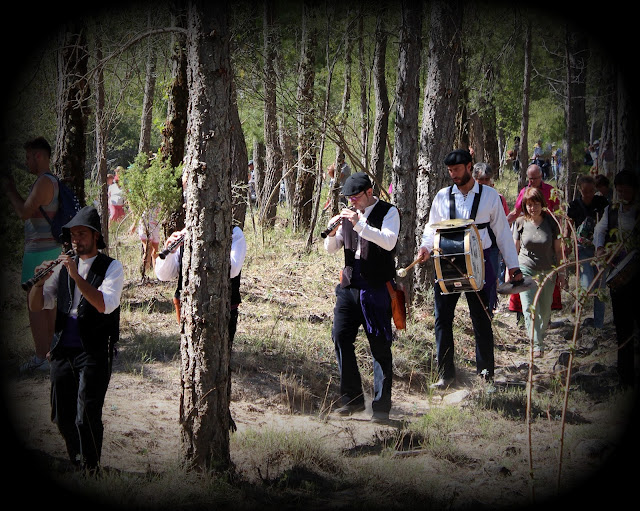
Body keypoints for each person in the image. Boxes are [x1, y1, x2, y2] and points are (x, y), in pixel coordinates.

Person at [28, 206, 123, 471]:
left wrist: (75, 275)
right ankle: (77, 461)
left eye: (81, 234)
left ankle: (91, 469)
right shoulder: (61, 268)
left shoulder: (111, 267)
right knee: (61, 415)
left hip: (93, 348)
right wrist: (38, 282)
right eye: (72, 235)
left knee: (87, 416)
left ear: (95, 236)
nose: (75, 240)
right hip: (62, 348)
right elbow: (39, 305)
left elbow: (104, 304)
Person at [417, 149, 522, 389]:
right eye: (450, 171)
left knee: (481, 319)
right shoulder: (442, 196)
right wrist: (425, 248)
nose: (453, 175)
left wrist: (514, 267)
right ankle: (446, 375)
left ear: (469, 166)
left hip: (479, 264)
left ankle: (485, 375)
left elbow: (503, 234)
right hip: (447, 263)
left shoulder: (490, 196)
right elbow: (431, 228)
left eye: (457, 170)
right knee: (442, 318)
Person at [155, 223, 247, 430]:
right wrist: (171, 250)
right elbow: (163, 274)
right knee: (192, 362)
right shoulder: (185, 234)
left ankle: (221, 413)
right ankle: (192, 413)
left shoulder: (234, 233)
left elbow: (232, 269)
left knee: (219, 362)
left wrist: (201, 247)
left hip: (222, 309)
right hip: (189, 310)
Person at [324, 172, 399, 421]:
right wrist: (334, 231)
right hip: (349, 285)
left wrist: (360, 224)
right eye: (349, 198)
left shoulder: (389, 212)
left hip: (376, 286)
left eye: (356, 197)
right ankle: (352, 399)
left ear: (369, 192)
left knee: (379, 344)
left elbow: (388, 242)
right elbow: (331, 248)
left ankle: (380, 408)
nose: (352, 202)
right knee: (340, 336)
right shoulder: (349, 215)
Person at [2, 136, 61, 373]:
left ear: (39, 156)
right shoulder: (49, 181)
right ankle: (48, 353)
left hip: (40, 251)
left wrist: (9, 189)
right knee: (46, 302)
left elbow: (24, 212)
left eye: (28, 157)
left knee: (35, 303)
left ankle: (40, 356)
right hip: (48, 249)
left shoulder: (44, 182)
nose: (26, 162)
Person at [593, 170, 640, 387]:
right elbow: (600, 231)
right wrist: (601, 248)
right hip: (619, 277)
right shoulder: (611, 210)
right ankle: (625, 378)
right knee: (623, 329)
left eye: (625, 190)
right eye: (618, 190)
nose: (621, 194)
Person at [513, 188, 566, 357]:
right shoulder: (520, 222)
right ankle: (536, 344)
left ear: (542, 204)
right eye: (529, 204)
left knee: (544, 309)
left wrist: (562, 273)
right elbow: (515, 249)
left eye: (536, 204)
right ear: (525, 205)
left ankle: (539, 335)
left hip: (547, 271)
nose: (533, 208)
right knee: (529, 307)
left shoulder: (551, 222)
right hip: (526, 268)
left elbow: (559, 251)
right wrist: (513, 271)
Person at [567, 175, 609, 329]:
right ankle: (578, 310)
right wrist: (567, 244)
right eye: (585, 191)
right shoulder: (574, 206)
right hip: (582, 249)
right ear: (580, 190)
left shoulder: (601, 203)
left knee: (600, 288)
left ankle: (598, 325)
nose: (589, 194)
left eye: (591, 191)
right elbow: (568, 225)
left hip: (599, 249)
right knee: (587, 282)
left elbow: (608, 222)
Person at [472, 162, 508, 314]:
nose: (485, 183)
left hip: (493, 246)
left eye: (487, 179)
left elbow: (503, 224)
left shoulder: (498, 199)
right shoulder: (469, 198)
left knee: (492, 279)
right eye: (481, 180)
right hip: (473, 246)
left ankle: (489, 310)